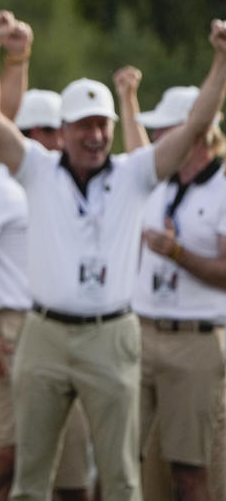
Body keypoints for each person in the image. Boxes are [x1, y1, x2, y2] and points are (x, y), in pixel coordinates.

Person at [0, 10, 226, 500]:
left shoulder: (134, 173)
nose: (95, 136)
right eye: (84, 126)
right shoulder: (38, 168)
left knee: (121, 479)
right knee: (30, 480)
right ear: (63, 130)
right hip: (43, 332)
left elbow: (196, 125)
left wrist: (220, 59)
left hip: (111, 334)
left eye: (103, 126)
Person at [0, 40, 92, 501]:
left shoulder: (46, 189)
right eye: (51, 131)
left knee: (38, 456)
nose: (60, 140)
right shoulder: (4, 190)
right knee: (13, 449)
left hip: (40, 326)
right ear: (32, 133)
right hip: (5, 325)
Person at [132, 85, 226, 501]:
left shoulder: (223, 185)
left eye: (162, 130)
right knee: (136, 466)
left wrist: (177, 253)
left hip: (197, 340)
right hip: (143, 333)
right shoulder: (160, 183)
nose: (154, 140)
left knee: (192, 472)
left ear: (198, 132)